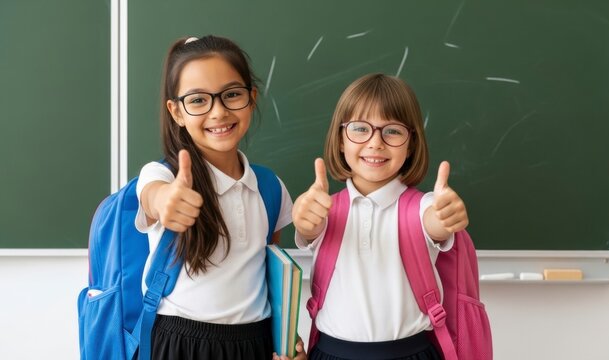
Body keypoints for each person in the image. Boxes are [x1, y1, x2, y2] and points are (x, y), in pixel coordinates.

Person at [135, 35, 305, 360]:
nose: (218, 111)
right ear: (176, 112)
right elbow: (153, 198)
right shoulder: (164, 177)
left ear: (251, 98)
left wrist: (287, 339)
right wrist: (166, 202)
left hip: (254, 342)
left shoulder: (269, 187)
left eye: (232, 95)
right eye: (198, 100)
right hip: (179, 343)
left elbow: (270, 276)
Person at [292, 73, 469, 360]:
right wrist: (303, 217)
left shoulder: (423, 207)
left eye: (393, 131)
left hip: (411, 353)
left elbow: (435, 223)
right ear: (340, 140)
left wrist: (446, 215)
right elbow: (308, 225)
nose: (375, 143)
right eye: (360, 129)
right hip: (330, 353)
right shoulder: (322, 209)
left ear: (411, 143)